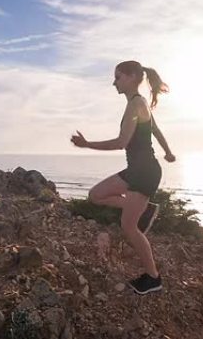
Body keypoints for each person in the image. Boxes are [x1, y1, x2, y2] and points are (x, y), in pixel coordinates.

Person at [70, 60, 176, 295]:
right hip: (137, 170)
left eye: (118, 77)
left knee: (129, 227)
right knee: (95, 195)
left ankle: (153, 278)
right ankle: (145, 210)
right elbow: (155, 130)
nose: (114, 82)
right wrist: (168, 152)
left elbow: (121, 142)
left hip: (144, 172)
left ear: (131, 77)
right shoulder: (139, 103)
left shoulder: (135, 105)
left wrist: (87, 145)